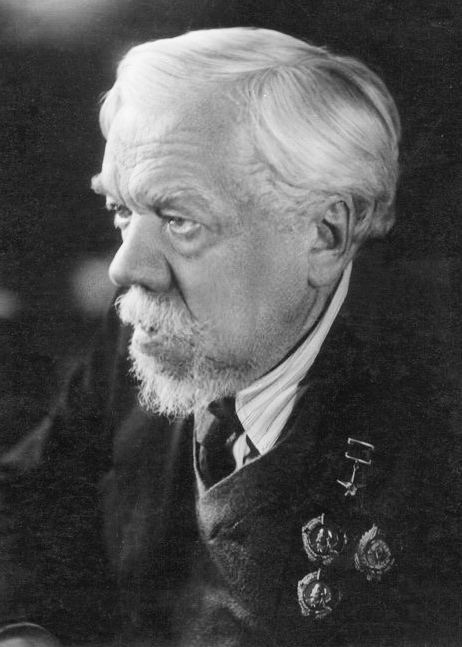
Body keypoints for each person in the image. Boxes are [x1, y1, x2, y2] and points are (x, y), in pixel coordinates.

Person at [0, 27, 460, 647]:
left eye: (179, 220)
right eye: (122, 210)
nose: (125, 268)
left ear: (325, 235)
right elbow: (32, 494)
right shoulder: (152, 320)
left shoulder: (437, 414)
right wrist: (24, 629)